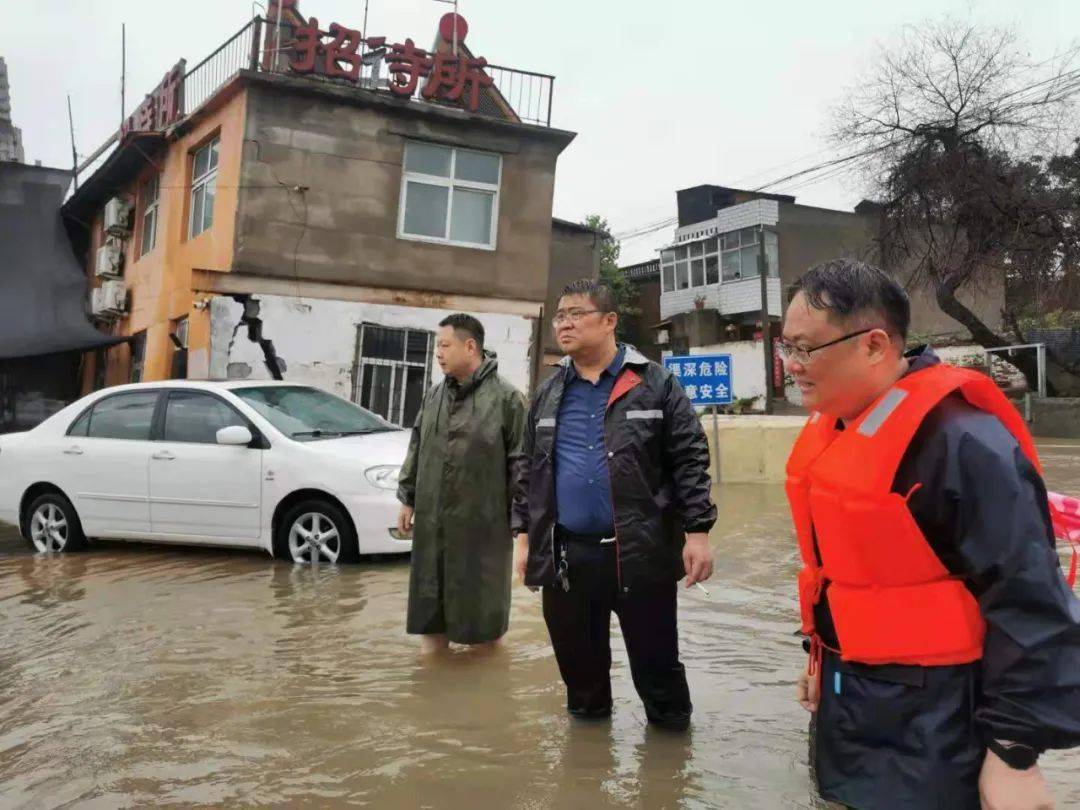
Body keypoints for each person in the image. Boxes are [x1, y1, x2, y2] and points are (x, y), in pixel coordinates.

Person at [781, 259, 1080, 809]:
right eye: (786, 349)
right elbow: (843, 578)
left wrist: (1014, 753)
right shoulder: (836, 427)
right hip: (851, 701)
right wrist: (819, 659)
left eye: (805, 349)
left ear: (874, 345)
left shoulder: (964, 442)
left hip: (938, 724)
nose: (791, 367)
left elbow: (1029, 599)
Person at [512, 279, 717, 731]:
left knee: (658, 667)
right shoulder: (548, 392)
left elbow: (689, 457)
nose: (564, 323)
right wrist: (524, 538)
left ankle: (668, 767)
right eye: (560, 314)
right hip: (569, 556)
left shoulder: (655, 384)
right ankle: (587, 771)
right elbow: (528, 468)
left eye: (576, 313)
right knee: (580, 680)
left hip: (640, 552)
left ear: (609, 321)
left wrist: (697, 532)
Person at [397, 314, 527, 654]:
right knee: (430, 617)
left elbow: (523, 467)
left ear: (470, 346)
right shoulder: (434, 396)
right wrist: (408, 498)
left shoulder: (508, 400)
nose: (437, 353)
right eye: (436, 346)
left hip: (482, 533)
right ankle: (432, 696)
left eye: (444, 345)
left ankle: (482, 697)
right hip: (433, 526)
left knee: (484, 627)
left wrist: (523, 526)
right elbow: (417, 445)